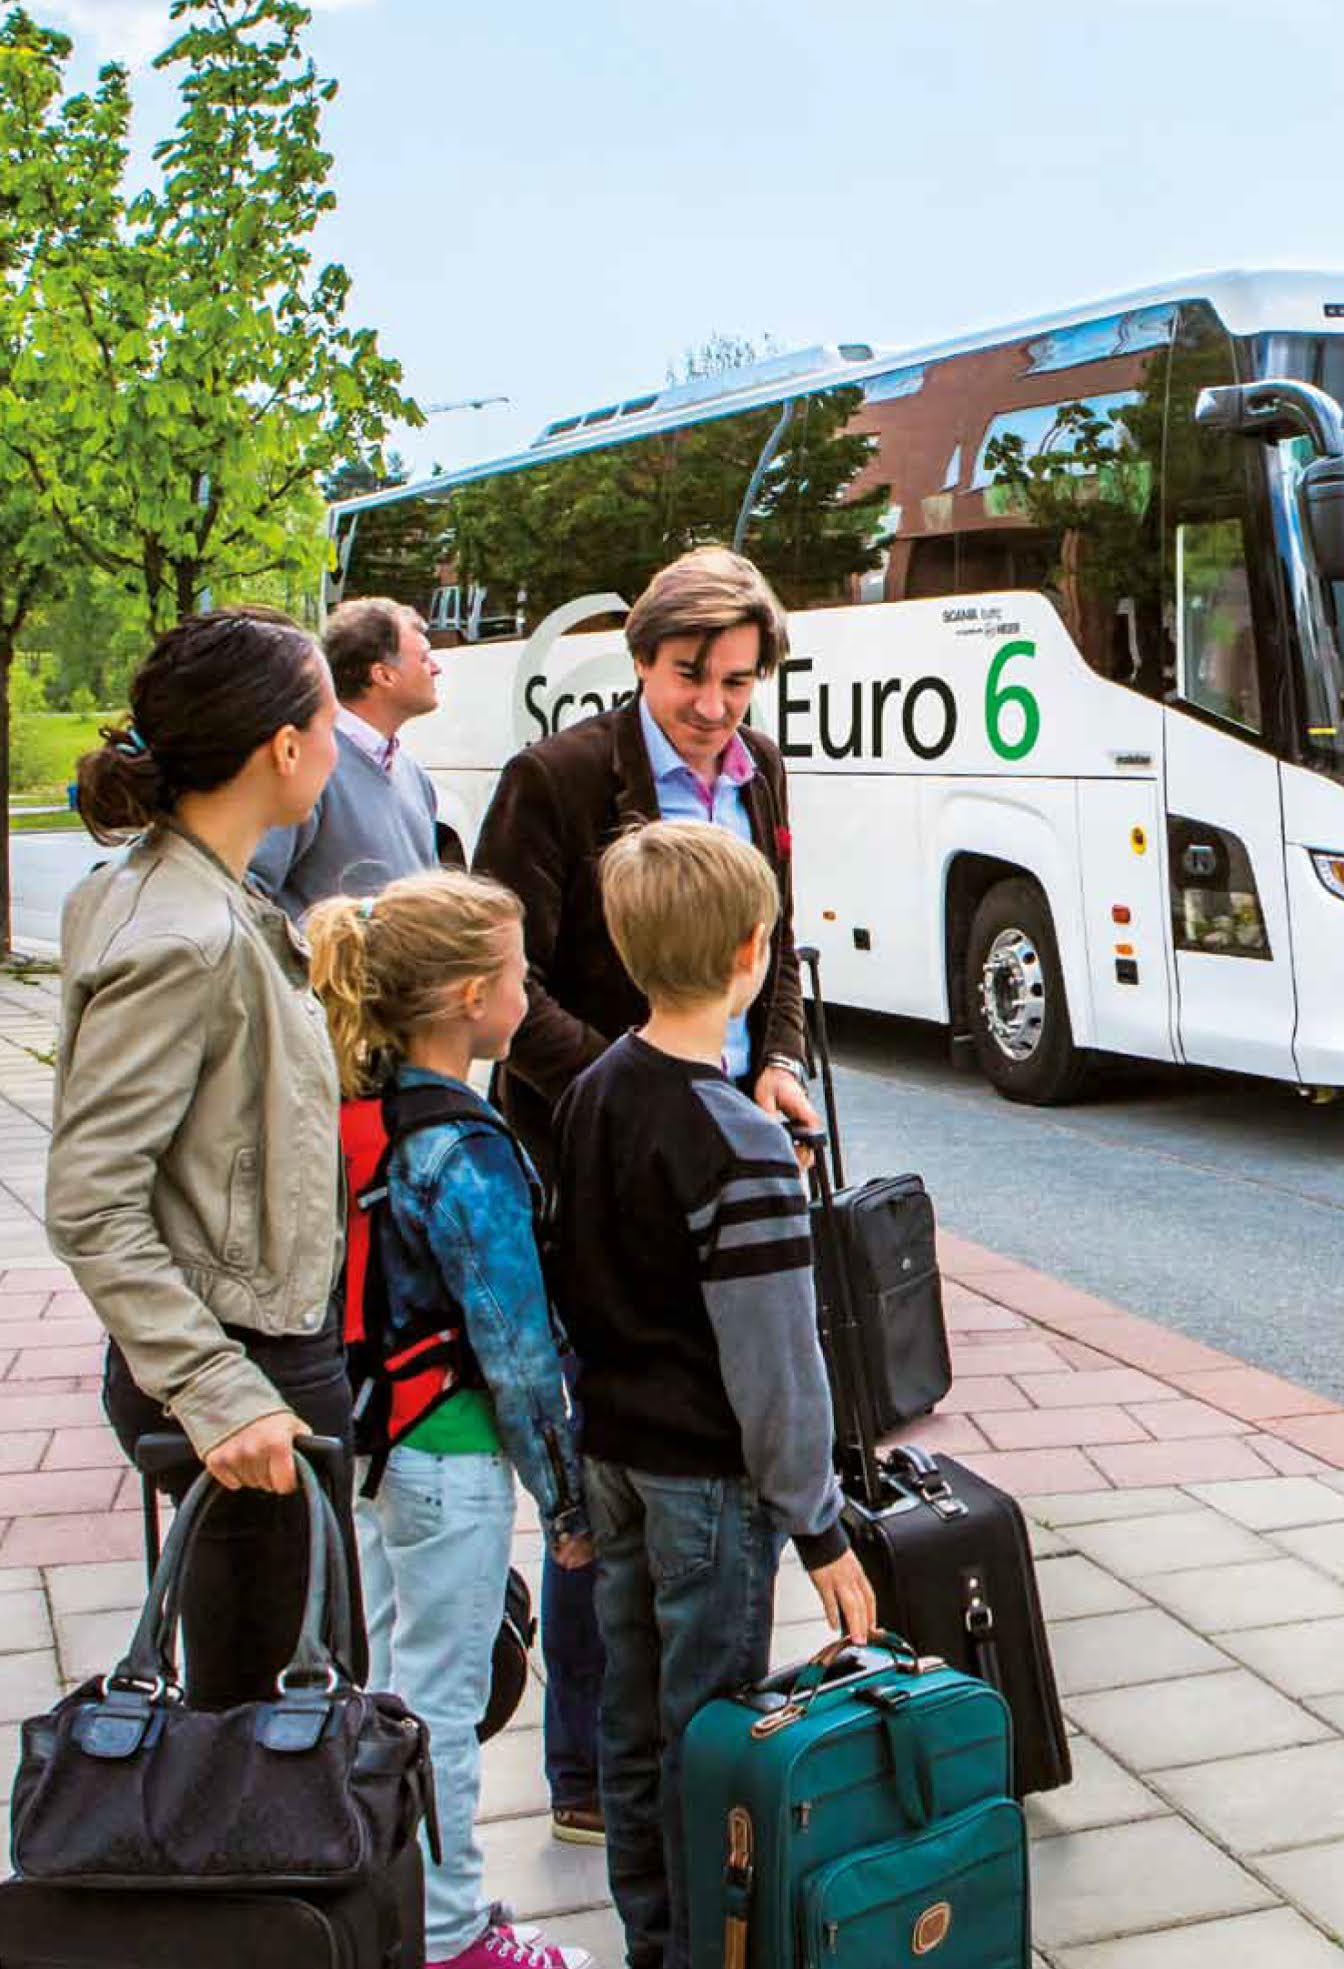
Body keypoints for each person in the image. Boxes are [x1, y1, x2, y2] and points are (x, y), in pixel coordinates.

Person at [473, 545, 819, 1843]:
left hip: (725, 1149)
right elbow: (507, 987)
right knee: (606, 1451)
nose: (715, 706)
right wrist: (638, 1096)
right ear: (638, 661)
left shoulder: (760, 769)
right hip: (597, 1160)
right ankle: (583, 1769)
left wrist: (775, 1063)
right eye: (690, 676)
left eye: (738, 680)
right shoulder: (559, 779)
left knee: (708, 1439)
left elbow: (777, 943)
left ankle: (667, 1767)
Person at [552, 820, 874, 1969]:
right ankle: (704, 1950)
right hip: (707, 1484)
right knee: (707, 1740)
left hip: (613, 1455)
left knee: (632, 1724)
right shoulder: (737, 1141)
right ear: (751, 951)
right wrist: (820, 1527)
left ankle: (652, 1940)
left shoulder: (593, 1091)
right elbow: (774, 1363)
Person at [48, 608, 354, 1709]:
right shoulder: (188, 934)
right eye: (331, 722)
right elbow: (90, 1202)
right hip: (244, 1367)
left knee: (285, 1710)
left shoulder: (184, 890)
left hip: (251, 1348)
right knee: (272, 1734)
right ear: (284, 746)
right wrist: (219, 1391)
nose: (339, 746)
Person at [305, 871, 596, 1969]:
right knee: (444, 1708)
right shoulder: (465, 1148)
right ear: (474, 997)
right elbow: (515, 1350)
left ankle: (390, 1909)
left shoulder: (355, 1113)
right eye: (520, 974)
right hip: (452, 1453)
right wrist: (563, 1500)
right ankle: (454, 1932)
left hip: (370, 1445)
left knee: (385, 1693)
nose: (529, 992)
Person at [251, 597, 444, 915]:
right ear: (383, 675)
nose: (436, 668)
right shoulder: (306, 768)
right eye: (424, 658)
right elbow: (251, 890)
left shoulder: (414, 776)